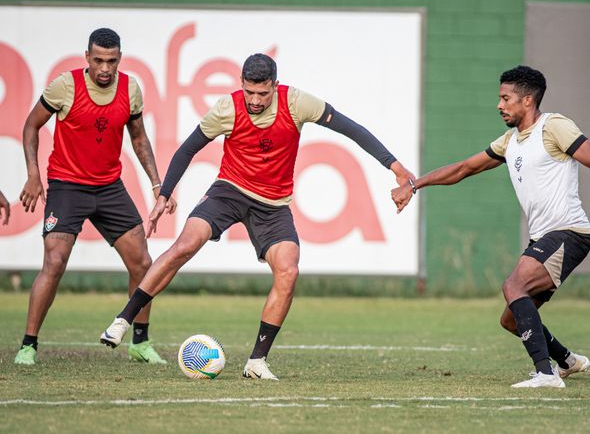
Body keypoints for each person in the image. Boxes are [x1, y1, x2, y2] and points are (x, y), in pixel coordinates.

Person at [100, 53, 415, 380]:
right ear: (242, 85)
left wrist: (395, 167)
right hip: (229, 191)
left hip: (273, 206)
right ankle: (123, 320)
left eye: (262, 94)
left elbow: (352, 129)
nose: (254, 100)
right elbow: (187, 149)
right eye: (249, 92)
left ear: (274, 87)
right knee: (185, 245)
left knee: (289, 270)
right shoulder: (228, 108)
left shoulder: (296, 103)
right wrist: (164, 195)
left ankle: (256, 362)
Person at [391, 65, 590, 388]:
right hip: (545, 237)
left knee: (513, 287)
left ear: (527, 100)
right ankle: (568, 360)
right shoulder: (510, 141)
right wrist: (414, 185)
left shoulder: (554, 126)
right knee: (511, 319)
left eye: (505, 98)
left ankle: (545, 374)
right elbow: (464, 169)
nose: (499, 105)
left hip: (569, 232)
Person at [14, 28, 176, 366]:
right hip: (67, 186)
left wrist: (157, 184)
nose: (105, 68)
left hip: (109, 188)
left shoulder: (130, 89)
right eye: (99, 60)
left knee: (143, 263)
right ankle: (28, 345)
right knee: (55, 262)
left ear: (119, 59)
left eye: (112, 61)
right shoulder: (65, 86)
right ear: (87, 57)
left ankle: (140, 343)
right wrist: (33, 174)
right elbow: (31, 125)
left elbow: (140, 139)